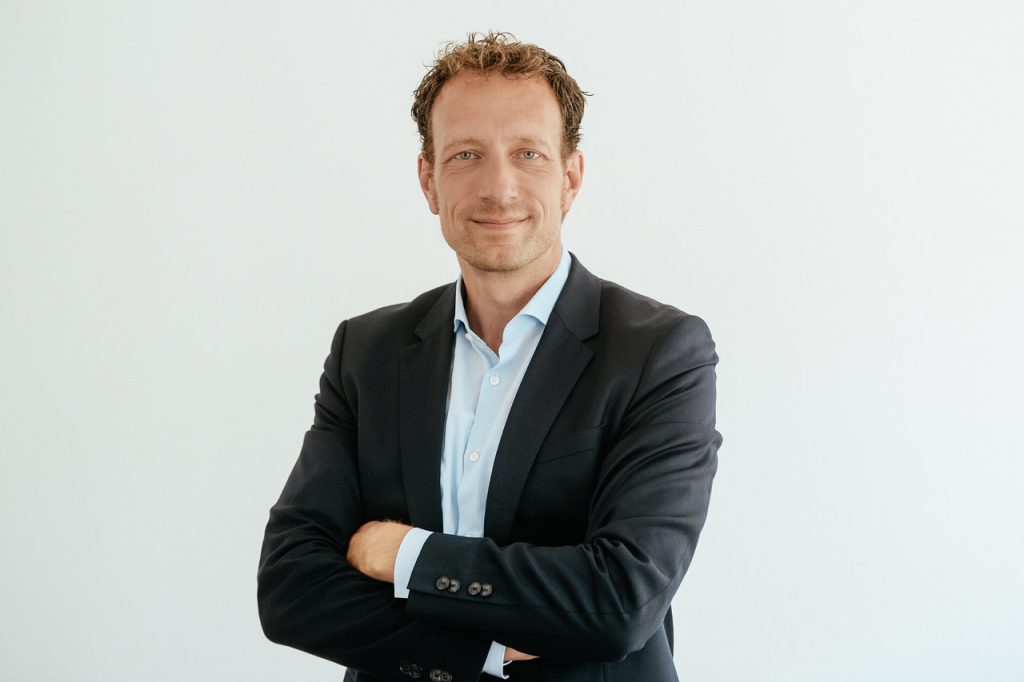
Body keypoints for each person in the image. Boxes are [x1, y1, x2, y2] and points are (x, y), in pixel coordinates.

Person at [258, 31, 722, 682]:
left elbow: (621, 599)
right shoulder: (366, 352)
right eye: (466, 155)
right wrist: (482, 652)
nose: (499, 188)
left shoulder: (660, 353)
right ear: (429, 180)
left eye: (528, 153)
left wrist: (406, 555)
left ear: (570, 177)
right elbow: (290, 589)